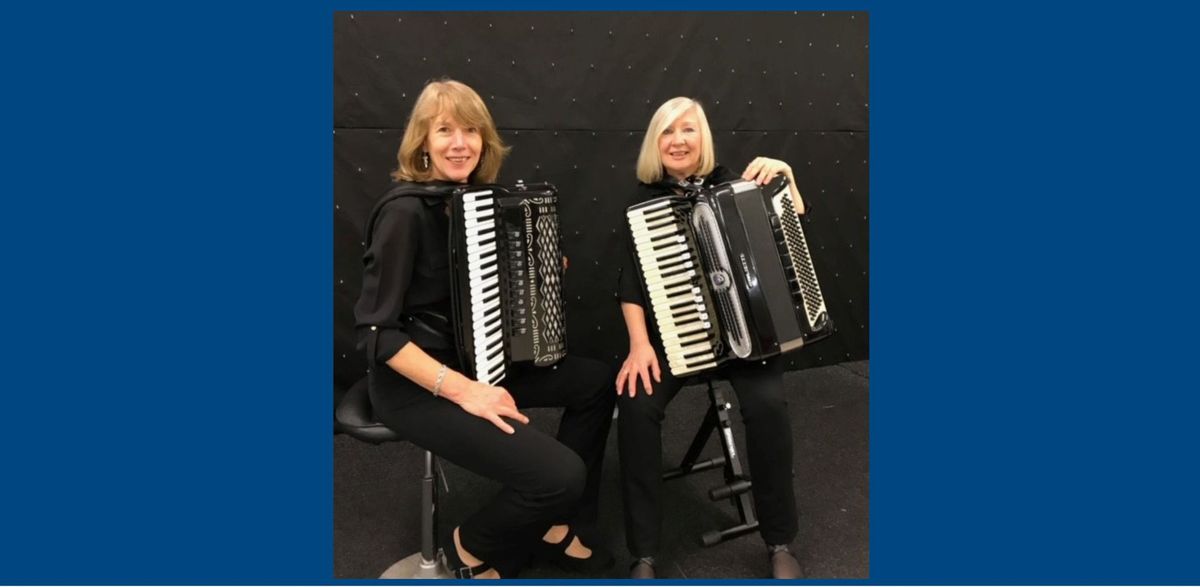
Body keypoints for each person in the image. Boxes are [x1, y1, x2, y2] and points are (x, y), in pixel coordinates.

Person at [355, 79, 615, 579]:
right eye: (445, 129)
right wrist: (465, 392)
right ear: (423, 142)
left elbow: (467, 292)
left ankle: (551, 522)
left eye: (471, 130)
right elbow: (377, 336)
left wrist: (532, 274)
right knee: (562, 475)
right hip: (416, 383)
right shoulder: (405, 212)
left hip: (478, 358)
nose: (460, 143)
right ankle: (467, 548)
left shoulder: (474, 201)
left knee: (596, 382)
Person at [615, 97, 809, 579]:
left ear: (703, 138)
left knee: (767, 409)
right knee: (637, 404)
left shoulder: (739, 186)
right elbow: (631, 283)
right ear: (654, 144)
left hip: (749, 343)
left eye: (688, 130)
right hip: (676, 338)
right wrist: (640, 345)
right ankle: (643, 552)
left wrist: (786, 174)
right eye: (667, 132)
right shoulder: (644, 203)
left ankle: (779, 539)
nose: (678, 140)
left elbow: (791, 227)